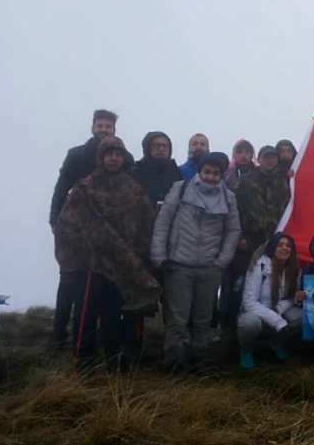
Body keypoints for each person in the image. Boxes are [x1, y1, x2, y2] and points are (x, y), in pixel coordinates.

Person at [54, 136, 160, 372]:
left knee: (115, 317)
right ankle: (84, 367)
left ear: (123, 158)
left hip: (122, 268)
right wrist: (81, 257)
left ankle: (116, 364)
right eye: (109, 154)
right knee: (86, 317)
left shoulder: (133, 189)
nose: (114, 158)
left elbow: (147, 223)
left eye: (118, 154)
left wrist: (140, 256)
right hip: (92, 267)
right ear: (101, 157)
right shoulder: (85, 188)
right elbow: (67, 226)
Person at [48, 109, 135, 348]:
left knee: (107, 293)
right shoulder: (76, 156)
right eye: (100, 126)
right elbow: (61, 188)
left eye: (108, 126)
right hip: (78, 232)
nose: (103, 129)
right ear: (93, 127)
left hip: (110, 238)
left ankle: (107, 344)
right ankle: (58, 333)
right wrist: (55, 220)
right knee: (69, 282)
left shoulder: (125, 159)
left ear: (114, 130)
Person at [151, 152, 241, 373]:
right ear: (199, 171)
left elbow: (233, 231)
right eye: (207, 172)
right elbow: (163, 222)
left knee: (203, 318)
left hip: (210, 268)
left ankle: (200, 359)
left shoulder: (228, 197)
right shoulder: (180, 189)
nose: (211, 177)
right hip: (179, 264)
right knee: (177, 317)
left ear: (221, 175)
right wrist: (158, 255)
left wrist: (222, 261)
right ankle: (174, 360)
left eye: (216, 173)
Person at [225, 145, 291, 329]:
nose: (269, 160)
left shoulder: (283, 182)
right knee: (241, 286)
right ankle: (232, 327)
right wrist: (240, 237)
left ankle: (269, 327)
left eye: (272, 157)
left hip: (275, 244)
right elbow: (234, 211)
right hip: (250, 243)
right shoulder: (244, 181)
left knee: (272, 286)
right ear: (259, 159)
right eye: (265, 157)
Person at [237, 233, 303, 369]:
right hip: (256, 311)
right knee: (248, 324)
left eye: (288, 246)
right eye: (280, 245)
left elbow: (292, 297)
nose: (284, 248)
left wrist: (281, 307)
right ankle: (246, 348)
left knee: (301, 317)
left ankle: (276, 342)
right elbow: (249, 301)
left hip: (278, 309)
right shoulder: (259, 265)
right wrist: (276, 319)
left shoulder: (295, 268)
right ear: (273, 247)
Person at [131, 131, 183, 211]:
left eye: (165, 146)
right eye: (157, 146)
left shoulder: (176, 173)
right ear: (148, 148)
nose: (161, 149)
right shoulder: (135, 172)